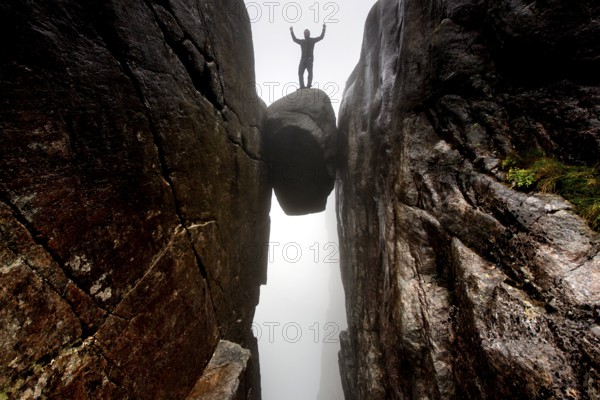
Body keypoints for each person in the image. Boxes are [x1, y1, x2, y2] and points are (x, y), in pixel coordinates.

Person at [290, 24, 326, 89]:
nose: (305, 33)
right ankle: (302, 86)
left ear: (309, 34)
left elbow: (321, 37)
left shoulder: (312, 40)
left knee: (310, 72)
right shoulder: (302, 41)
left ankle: (308, 85)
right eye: (304, 33)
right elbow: (294, 39)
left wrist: (323, 29)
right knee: (300, 72)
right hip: (303, 59)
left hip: (309, 59)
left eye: (307, 32)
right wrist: (292, 31)